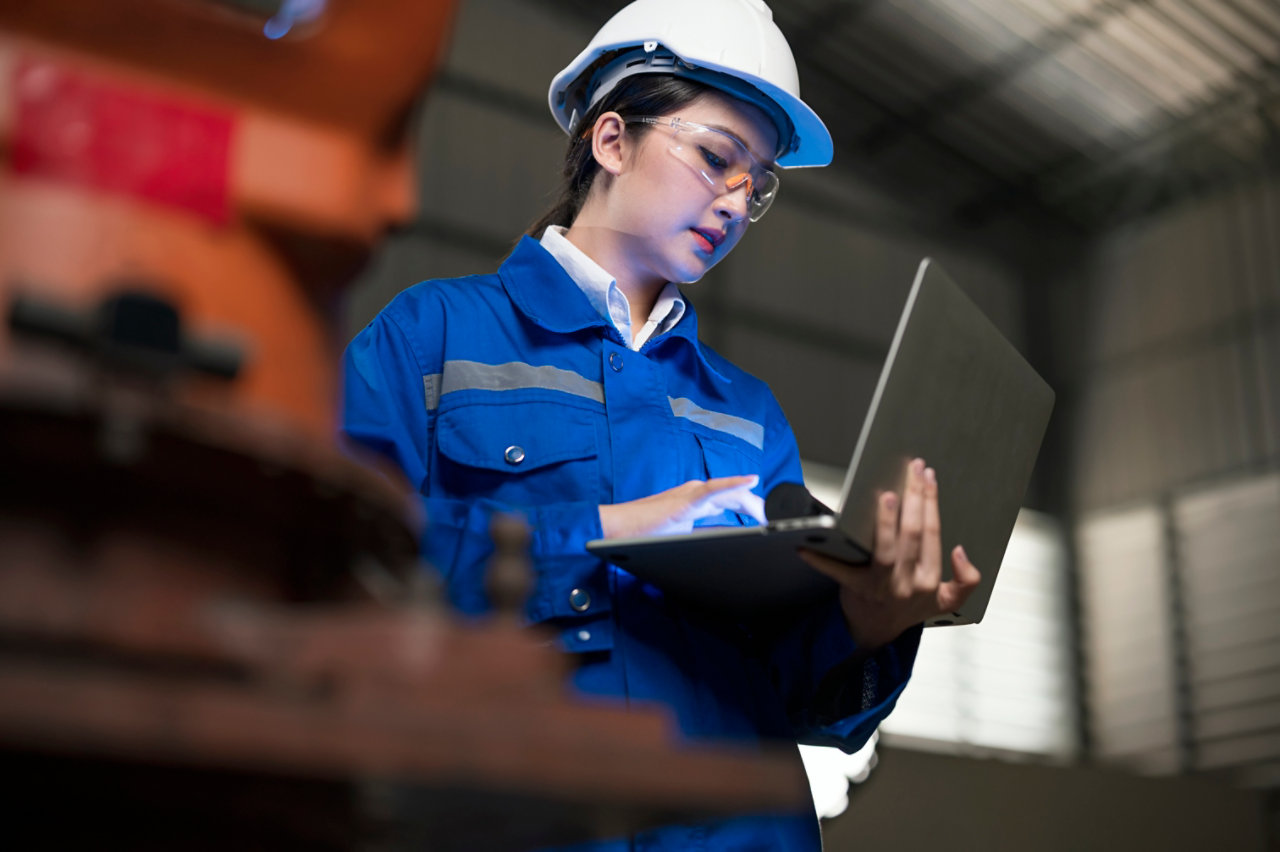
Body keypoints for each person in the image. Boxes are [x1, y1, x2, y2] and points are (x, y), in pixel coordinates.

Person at [341, 0, 981, 847]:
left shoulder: (748, 412)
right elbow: (336, 566)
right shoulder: (433, 339)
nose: (737, 198)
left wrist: (872, 619)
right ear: (612, 140)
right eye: (717, 156)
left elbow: (797, 696)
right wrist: (599, 533)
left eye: (757, 183)